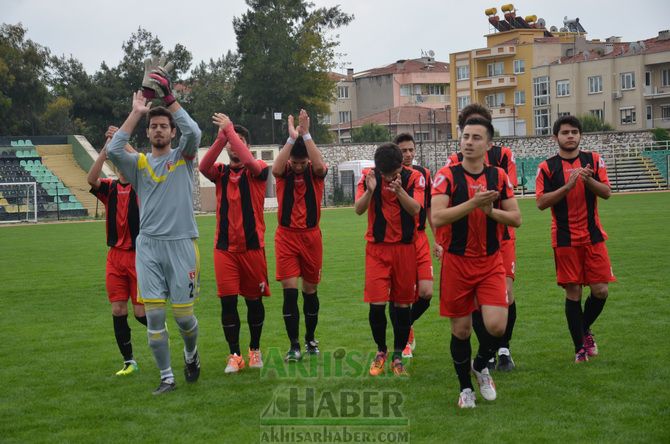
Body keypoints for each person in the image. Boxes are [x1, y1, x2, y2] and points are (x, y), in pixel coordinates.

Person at [107, 65, 202, 395]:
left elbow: (196, 133)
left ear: (172, 133)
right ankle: (166, 377)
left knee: (185, 319)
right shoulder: (139, 165)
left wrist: (170, 99)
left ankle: (191, 355)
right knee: (156, 317)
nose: (159, 130)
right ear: (147, 133)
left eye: (164, 126)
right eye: (154, 126)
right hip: (147, 248)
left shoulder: (183, 158)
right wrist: (136, 113)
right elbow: (115, 150)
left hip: (181, 245)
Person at [432, 117, 521, 408]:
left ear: (489, 144)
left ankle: (480, 364)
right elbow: (437, 217)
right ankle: (465, 390)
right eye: (465, 136)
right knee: (461, 330)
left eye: (475, 137)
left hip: (490, 261)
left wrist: (490, 211)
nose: (468, 142)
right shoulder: (446, 175)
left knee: (496, 326)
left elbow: (516, 218)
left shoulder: (499, 177)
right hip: (457, 263)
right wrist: (473, 203)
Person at [445, 103, 519, 371]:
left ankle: (503, 349)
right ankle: (484, 356)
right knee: (475, 301)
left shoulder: (503, 157)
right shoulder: (453, 163)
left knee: (506, 296)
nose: (471, 140)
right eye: (467, 131)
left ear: (488, 135)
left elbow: (508, 194)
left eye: (479, 132)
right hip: (467, 242)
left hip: (502, 237)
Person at [536, 115, 615, 363]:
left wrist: (587, 179)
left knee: (601, 290)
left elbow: (607, 193)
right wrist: (568, 186)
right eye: (565, 132)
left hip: (593, 236)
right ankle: (579, 348)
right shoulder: (547, 167)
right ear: (555, 137)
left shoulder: (593, 160)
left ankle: (582, 329)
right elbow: (541, 202)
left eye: (574, 132)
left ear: (581, 135)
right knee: (573, 292)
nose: (570, 136)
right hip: (565, 239)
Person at [199, 113, 270, 374]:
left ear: (246, 145)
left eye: (238, 140)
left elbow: (250, 162)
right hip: (224, 249)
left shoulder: (258, 169)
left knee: (253, 301)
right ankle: (235, 355)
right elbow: (203, 166)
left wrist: (230, 131)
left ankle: (254, 349)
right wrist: (221, 138)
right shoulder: (220, 173)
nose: (233, 144)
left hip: (252, 249)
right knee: (227, 303)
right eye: (231, 140)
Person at [354, 143, 425, 376]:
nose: (389, 178)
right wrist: (370, 190)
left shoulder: (414, 177)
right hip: (377, 249)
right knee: (376, 305)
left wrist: (399, 191)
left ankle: (397, 357)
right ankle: (381, 352)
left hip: (404, 249)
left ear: (400, 166)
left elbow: (416, 209)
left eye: (393, 173)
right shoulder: (368, 177)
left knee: (403, 306)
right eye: (385, 174)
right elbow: (358, 209)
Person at [88, 125, 146, 376]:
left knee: (141, 313)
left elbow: (146, 166)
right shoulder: (110, 188)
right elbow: (91, 180)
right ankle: (129, 361)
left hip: (138, 256)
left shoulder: (142, 186)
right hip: (115, 258)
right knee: (118, 310)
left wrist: (122, 141)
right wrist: (105, 150)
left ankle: (159, 326)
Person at [272, 110, 327, 362]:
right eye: (294, 163)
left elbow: (318, 165)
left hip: (311, 237)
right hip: (286, 237)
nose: (297, 166)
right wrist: (291, 138)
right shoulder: (283, 174)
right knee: (289, 291)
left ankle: (310, 339)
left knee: (310, 290)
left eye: (300, 163)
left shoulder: (314, 174)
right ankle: (294, 345)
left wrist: (306, 135)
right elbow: (275, 167)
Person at [391, 133, 438, 359]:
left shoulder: (425, 174)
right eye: (403, 151)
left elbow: (428, 208)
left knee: (426, 293)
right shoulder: (388, 175)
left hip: (420, 239)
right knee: (401, 296)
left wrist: (438, 238)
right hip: (399, 242)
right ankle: (403, 341)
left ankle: (405, 326)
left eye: (411, 150)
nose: (408, 154)